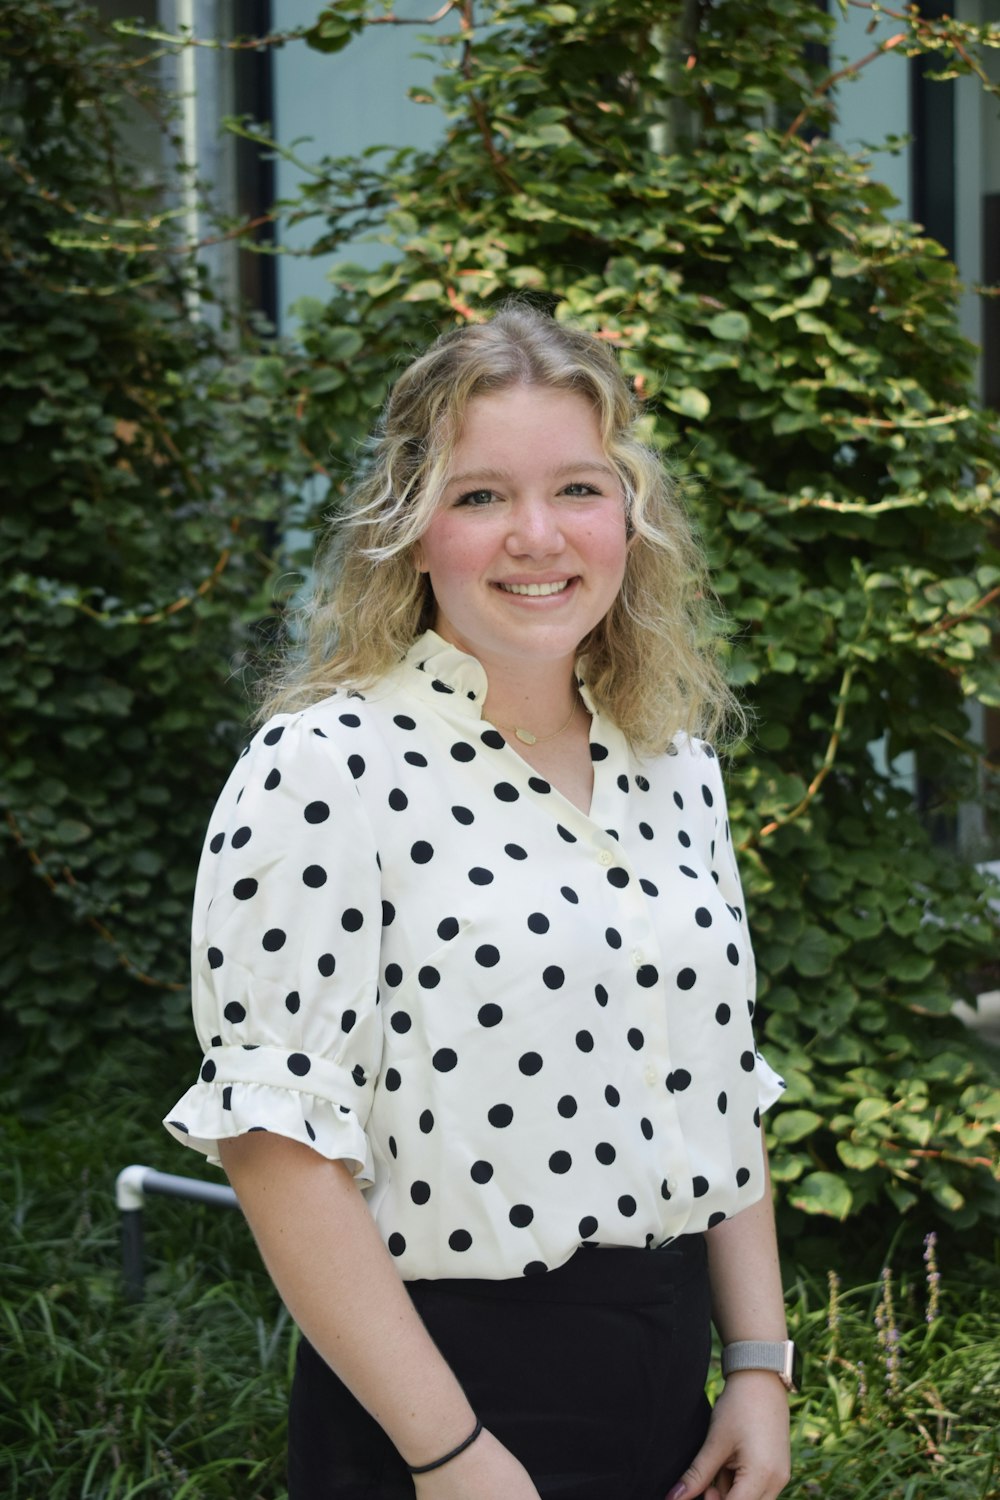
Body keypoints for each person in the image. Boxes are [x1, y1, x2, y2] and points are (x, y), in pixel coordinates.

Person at [164, 302, 794, 1500]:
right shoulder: (326, 766)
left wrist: (758, 1366)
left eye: (579, 488)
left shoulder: (675, 767)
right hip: (440, 1402)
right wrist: (451, 1457)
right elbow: (275, 1147)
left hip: (671, 1385)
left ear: (630, 518)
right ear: (408, 531)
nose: (538, 537)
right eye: (480, 496)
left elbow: (723, 1080)